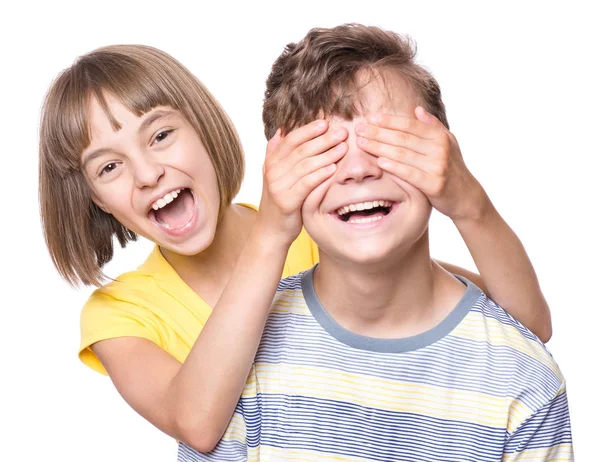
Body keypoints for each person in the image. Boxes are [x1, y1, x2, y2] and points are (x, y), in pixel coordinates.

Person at [39, 43, 552, 454]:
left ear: (204, 128)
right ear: (92, 199)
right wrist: (272, 231)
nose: (149, 174)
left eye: (162, 135)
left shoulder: (322, 229)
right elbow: (196, 425)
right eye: (109, 167)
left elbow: (520, 327)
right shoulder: (119, 316)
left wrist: (468, 203)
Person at [179, 24, 572, 461]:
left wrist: (470, 201)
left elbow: (531, 325)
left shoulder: (521, 378)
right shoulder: (234, 361)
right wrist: (272, 229)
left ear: (446, 157)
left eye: (390, 143)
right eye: (324, 151)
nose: (358, 169)